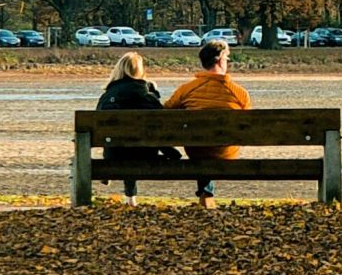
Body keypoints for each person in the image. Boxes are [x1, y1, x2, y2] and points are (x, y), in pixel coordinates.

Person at [164, 39, 251, 208]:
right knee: (215, 142)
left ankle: (206, 193)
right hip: (226, 151)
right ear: (219, 59)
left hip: (196, 150)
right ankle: (207, 195)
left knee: (200, 142)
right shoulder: (239, 93)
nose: (228, 62)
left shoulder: (187, 89)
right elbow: (248, 124)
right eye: (227, 58)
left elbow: (164, 113)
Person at [95, 52, 175, 206]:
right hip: (144, 155)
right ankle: (130, 197)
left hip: (114, 155)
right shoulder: (147, 96)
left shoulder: (107, 96)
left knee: (122, 143)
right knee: (138, 143)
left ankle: (128, 194)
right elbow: (162, 125)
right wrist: (154, 93)